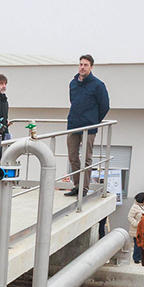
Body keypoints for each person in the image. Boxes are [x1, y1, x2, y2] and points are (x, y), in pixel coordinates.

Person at [64, 54, 109, 197]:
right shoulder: (73, 83)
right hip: (73, 125)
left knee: (86, 158)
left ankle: (84, 188)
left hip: (88, 127)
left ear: (91, 67)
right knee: (72, 157)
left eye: (86, 65)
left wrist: (94, 120)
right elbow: (73, 102)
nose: (82, 67)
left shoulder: (98, 85)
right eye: (81, 64)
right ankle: (77, 186)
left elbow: (105, 106)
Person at [127, 192, 144, 263]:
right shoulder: (135, 207)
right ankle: (136, 257)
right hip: (136, 229)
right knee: (137, 243)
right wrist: (136, 224)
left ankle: (141, 257)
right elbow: (130, 217)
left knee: (143, 243)